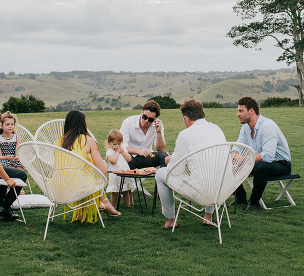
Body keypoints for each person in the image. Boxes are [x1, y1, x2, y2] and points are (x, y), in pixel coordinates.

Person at [156, 99, 226, 229]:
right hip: (222, 190)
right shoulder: (217, 129)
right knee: (212, 174)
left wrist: (169, 160)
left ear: (186, 118)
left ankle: (170, 221)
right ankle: (208, 217)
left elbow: (175, 171)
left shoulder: (186, 134)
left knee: (160, 174)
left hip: (200, 192)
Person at [54, 110, 120, 220]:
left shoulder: (58, 141)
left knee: (82, 171)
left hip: (59, 186)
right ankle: (104, 202)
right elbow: (103, 171)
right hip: (80, 187)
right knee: (96, 169)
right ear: (83, 124)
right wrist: (87, 133)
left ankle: (82, 213)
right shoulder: (87, 140)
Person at [233, 96, 292, 212]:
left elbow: (268, 156)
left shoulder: (267, 126)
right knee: (230, 163)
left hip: (281, 164)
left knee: (260, 167)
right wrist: (234, 155)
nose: (237, 114)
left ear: (251, 111)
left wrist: (243, 159)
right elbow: (238, 146)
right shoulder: (245, 128)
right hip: (258, 162)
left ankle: (254, 203)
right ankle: (240, 197)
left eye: (241, 111)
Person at [120, 100, 169, 169]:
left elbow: (160, 149)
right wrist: (138, 151)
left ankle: (161, 175)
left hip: (146, 157)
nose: (146, 121)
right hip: (129, 157)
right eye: (144, 117)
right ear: (141, 112)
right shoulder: (128, 122)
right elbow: (122, 146)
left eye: (150, 120)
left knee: (165, 156)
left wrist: (159, 132)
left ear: (155, 119)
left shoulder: (157, 125)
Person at [105, 129, 135, 207]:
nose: (117, 146)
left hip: (125, 173)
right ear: (109, 143)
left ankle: (127, 206)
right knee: (115, 192)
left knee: (125, 191)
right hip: (115, 176)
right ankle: (113, 206)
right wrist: (117, 152)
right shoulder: (110, 151)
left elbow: (129, 159)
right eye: (114, 144)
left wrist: (123, 152)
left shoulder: (122, 149)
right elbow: (113, 161)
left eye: (118, 144)